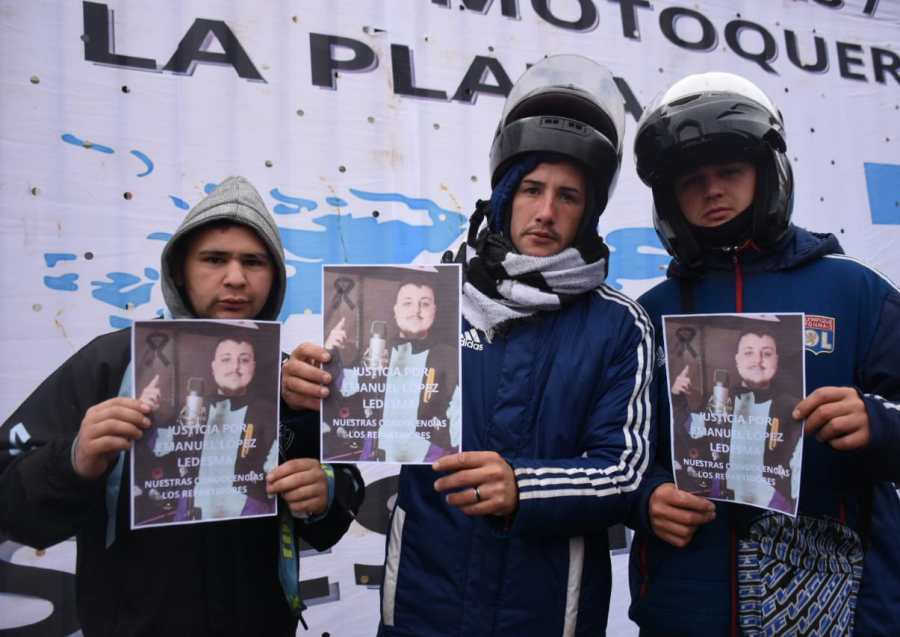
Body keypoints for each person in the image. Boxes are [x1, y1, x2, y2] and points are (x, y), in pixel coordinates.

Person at [281, 55, 655, 636]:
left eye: (568, 196)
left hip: (545, 618)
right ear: (505, 195)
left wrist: (523, 487)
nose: (546, 212)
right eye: (531, 189)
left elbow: (624, 472)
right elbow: (351, 425)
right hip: (419, 613)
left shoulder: (619, 325)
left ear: (588, 213)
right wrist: (304, 398)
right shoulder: (426, 299)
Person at [0, 175, 365, 636]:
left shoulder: (291, 379)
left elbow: (340, 500)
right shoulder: (110, 363)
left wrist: (325, 491)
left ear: (274, 278)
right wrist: (74, 460)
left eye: (254, 262)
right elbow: (11, 503)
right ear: (178, 271)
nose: (235, 278)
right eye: (214, 259)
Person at [626, 72, 900, 635]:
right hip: (684, 613)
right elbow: (616, 451)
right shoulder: (646, 314)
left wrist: (877, 422)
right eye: (692, 180)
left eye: (729, 171)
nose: (712, 191)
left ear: (767, 172)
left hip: (830, 612)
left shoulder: (857, 290)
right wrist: (645, 499)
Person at [137, 332, 283, 523]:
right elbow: (159, 448)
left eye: (244, 360)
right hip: (190, 516)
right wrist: (146, 413)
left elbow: (277, 475)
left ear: (253, 367)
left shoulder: (271, 414)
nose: (235, 367)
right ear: (213, 367)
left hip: (249, 516)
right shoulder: (192, 407)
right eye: (226, 359)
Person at [323, 276, 461, 463]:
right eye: (407, 303)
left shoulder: (451, 358)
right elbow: (345, 387)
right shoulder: (375, 350)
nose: (416, 310)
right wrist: (330, 352)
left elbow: (459, 425)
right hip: (374, 462)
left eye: (424, 304)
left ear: (434, 311)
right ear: (395, 310)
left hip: (430, 464)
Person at [671, 327, 802, 513]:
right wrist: (677, 398)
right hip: (719, 506)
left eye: (766, 353)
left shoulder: (793, 408)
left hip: (774, 509)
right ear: (737, 359)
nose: (757, 360)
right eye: (749, 353)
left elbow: (798, 469)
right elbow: (692, 431)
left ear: (777, 361)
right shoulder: (719, 399)